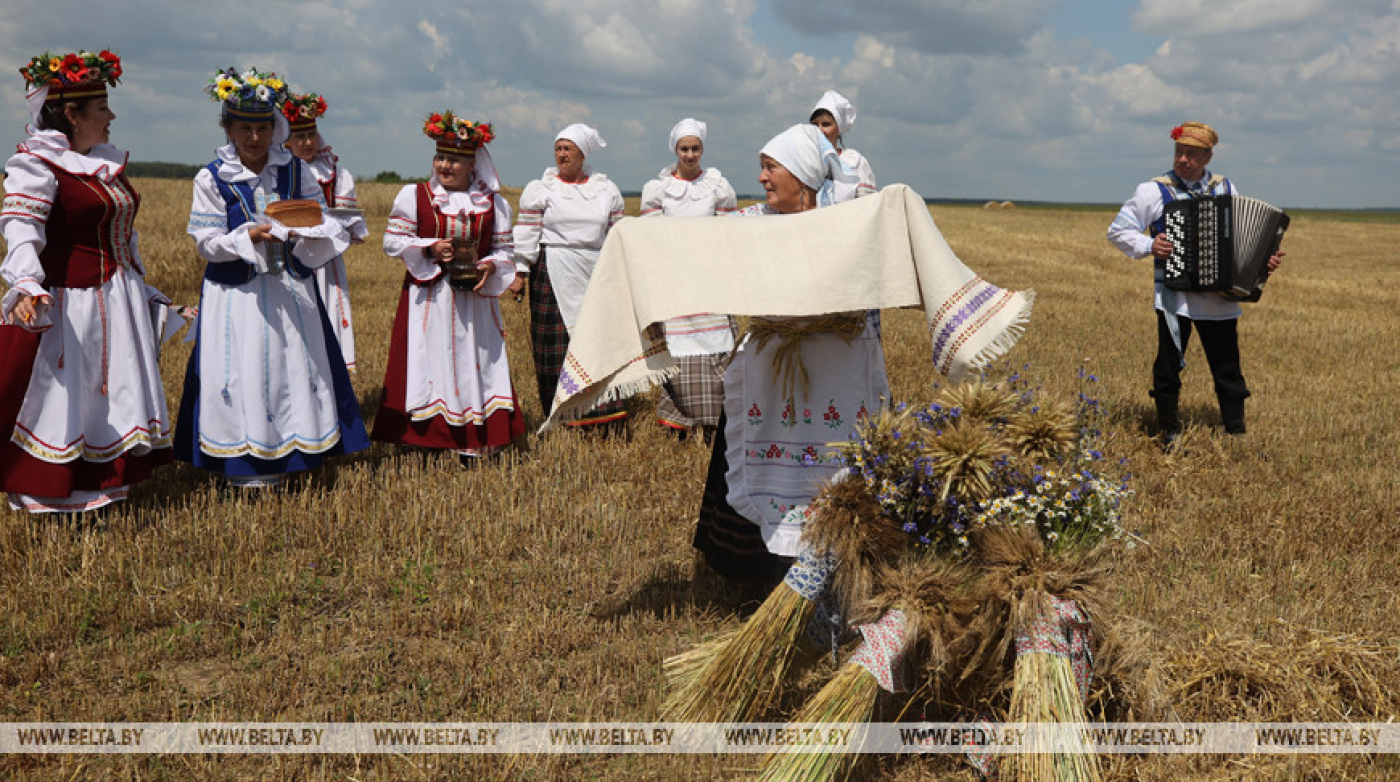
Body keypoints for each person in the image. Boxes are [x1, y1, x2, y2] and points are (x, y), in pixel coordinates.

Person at [693, 124, 887, 585]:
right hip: (769, 369)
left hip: (833, 368)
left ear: (801, 177)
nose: (760, 178)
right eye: (761, 167)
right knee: (755, 452)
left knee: (837, 462)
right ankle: (757, 570)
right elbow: (695, 250)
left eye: (770, 167)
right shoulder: (748, 224)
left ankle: (841, 567)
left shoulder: (844, 226)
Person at [176, 67, 369, 488]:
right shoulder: (212, 177)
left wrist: (307, 233)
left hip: (290, 290)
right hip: (237, 296)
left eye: (262, 127)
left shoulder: (296, 173)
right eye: (244, 127)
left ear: (274, 127)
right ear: (228, 128)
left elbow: (327, 222)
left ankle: (296, 459)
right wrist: (248, 236)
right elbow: (206, 242)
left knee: (293, 370)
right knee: (242, 372)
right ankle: (246, 471)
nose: (254, 138)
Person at [0, 48, 173, 513]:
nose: (112, 116)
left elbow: (124, 236)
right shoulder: (37, 165)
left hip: (115, 298)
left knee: (108, 394)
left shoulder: (100, 165)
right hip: (68, 302)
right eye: (102, 108)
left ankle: (100, 491)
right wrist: (25, 283)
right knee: (64, 397)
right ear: (73, 115)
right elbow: (20, 226)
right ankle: (50, 496)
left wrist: (145, 292)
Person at [1107, 121, 1284, 445]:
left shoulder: (1225, 188)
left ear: (1207, 156)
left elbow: (1243, 240)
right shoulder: (1153, 190)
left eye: (1191, 154)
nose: (1183, 159)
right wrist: (1150, 245)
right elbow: (1118, 231)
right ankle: (1169, 430)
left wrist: (1262, 264)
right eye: (1179, 152)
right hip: (1176, 297)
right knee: (1168, 365)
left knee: (1227, 367)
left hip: (1220, 299)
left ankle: (1235, 429)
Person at [372, 112, 525, 465]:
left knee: (478, 361)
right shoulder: (416, 196)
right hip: (431, 299)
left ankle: (475, 440)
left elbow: (504, 252)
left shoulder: (494, 204)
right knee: (429, 359)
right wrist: (429, 248)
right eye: (440, 157)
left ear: (473, 163)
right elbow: (392, 242)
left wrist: (490, 265)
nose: (445, 165)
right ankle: (428, 439)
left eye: (454, 159)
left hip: (475, 302)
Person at [507, 123, 627, 427]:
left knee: (596, 340)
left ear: (582, 154)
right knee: (555, 344)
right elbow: (528, 231)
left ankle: (601, 412)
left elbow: (617, 234)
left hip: (595, 269)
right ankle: (560, 411)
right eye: (558, 149)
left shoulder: (605, 189)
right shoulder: (543, 188)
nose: (562, 155)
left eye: (567, 149)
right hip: (553, 269)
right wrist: (520, 271)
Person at [638, 118, 738, 438]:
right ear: (675, 150)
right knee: (677, 346)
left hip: (709, 278)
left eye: (695, 148)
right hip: (673, 278)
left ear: (702, 149)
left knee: (715, 347)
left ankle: (714, 421)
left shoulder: (719, 187)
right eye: (685, 148)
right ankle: (678, 420)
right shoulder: (657, 190)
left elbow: (728, 233)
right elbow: (650, 237)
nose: (690, 154)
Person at [280, 91, 367, 371]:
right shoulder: (276, 171)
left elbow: (345, 222)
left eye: (311, 134)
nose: (307, 142)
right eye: (299, 136)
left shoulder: (335, 174)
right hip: (285, 259)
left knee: (325, 323)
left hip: (325, 263)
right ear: (285, 139)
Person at [810, 90, 876, 203]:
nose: (819, 130)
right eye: (815, 125)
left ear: (838, 130)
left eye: (826, 124)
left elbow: (868, 207)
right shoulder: (805, 161)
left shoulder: (855, 163)